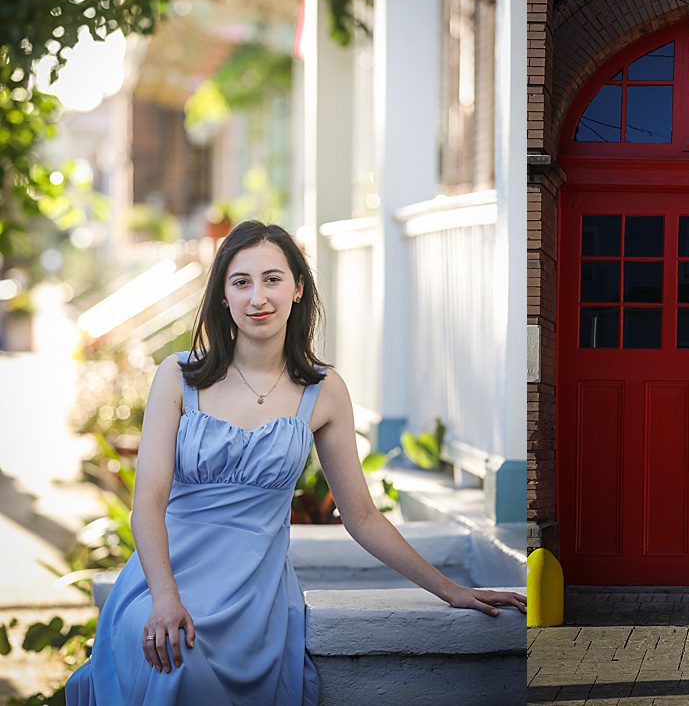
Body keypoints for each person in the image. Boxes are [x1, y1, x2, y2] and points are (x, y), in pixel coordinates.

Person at [67, 221, 525, 705]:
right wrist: (163, 598)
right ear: (223, 295)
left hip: (252, 595)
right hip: (165, 581)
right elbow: (148, 504)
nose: (257, 296)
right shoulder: (179, 377)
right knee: (173, 662)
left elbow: (363, 517)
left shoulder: (325, 391)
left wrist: (450, 590)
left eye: (272, 278)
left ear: (298, 287)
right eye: (240, 282)